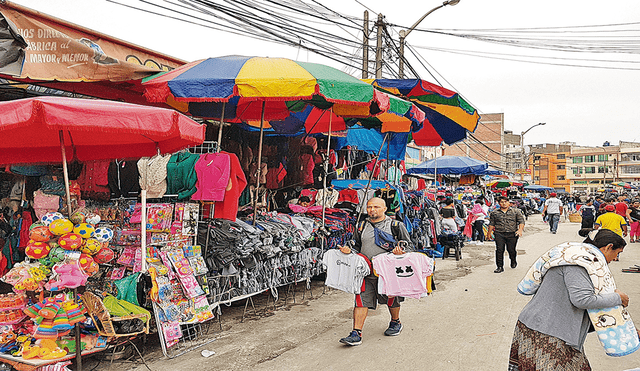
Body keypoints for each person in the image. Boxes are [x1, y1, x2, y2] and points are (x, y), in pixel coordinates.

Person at [509, 229, 632, 371]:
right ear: (608, 247)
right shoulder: (577, 264)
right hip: (546, 331)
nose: (615, 258)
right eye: (617, 253)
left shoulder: (582, 260)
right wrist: (618, 298)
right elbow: (582, 300)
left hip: (551, 327)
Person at [337, 197, 412, 346]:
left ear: (384, 209)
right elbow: (356, 245)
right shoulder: (361, 226)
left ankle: (395, 322)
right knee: (360, 300)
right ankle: (356, 333)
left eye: (376, 207)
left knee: (392, 299)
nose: (372, 210)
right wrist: (348, 250)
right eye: (370, 207)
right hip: (366, 271)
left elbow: (409, 246)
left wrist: (400, 251)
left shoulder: (396, 225)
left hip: (388, 272)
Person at [488, 196, 525, 273]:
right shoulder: (494, 213)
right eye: (502, 202)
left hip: (512, 234)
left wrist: (520, 230)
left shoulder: (516, 211)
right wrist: (489, 234)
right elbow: (491, 224)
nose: (504, 203)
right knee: (499, 250)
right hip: (499, 233)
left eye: (505, 202)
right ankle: (500, 267)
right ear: (499, 203)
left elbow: (521, 221)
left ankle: (513, 260)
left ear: (509, 203)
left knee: (511, 250)